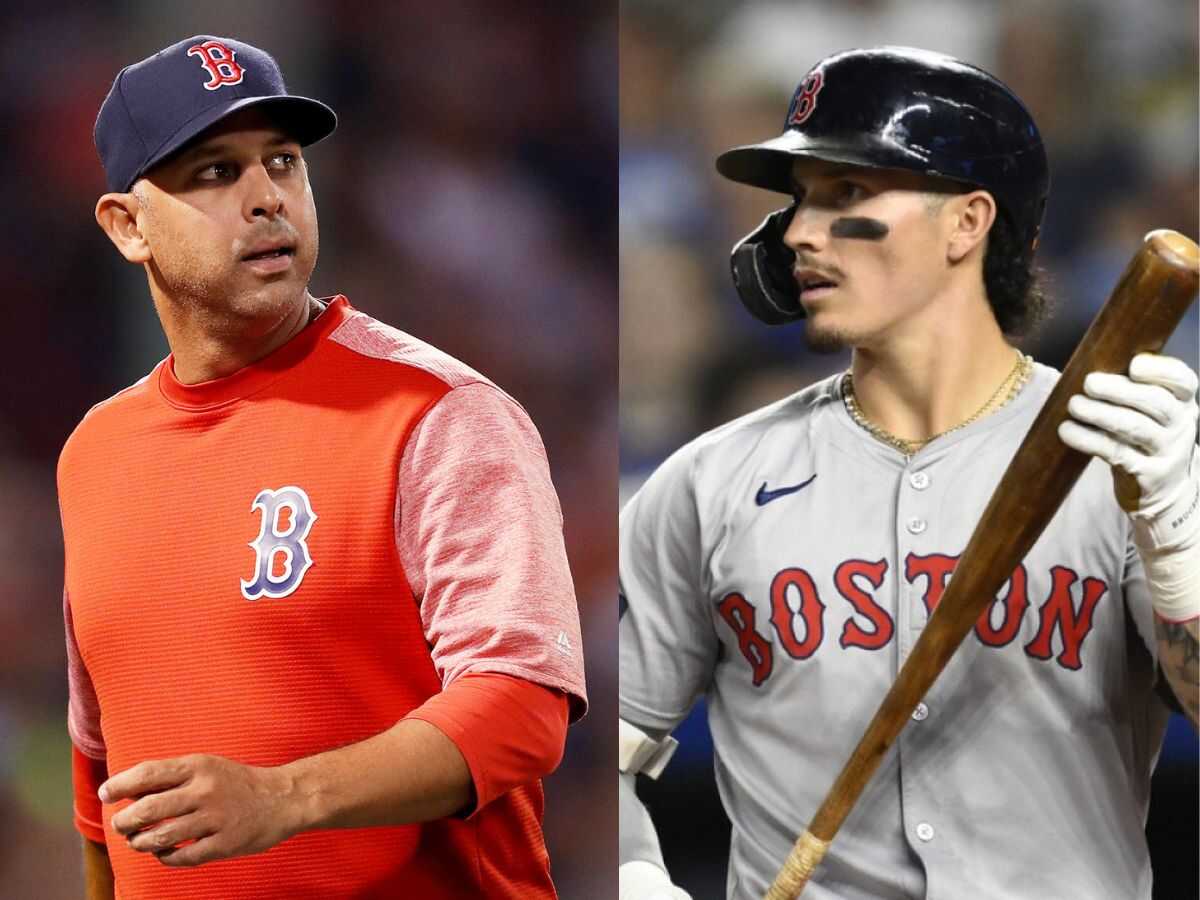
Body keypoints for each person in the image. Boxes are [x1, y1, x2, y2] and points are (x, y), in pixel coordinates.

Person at [618, 46, 1198, 900]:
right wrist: (632, 874)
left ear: (968, 222)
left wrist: (1179, 551)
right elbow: (594, 752)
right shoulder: (710, 481)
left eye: (846, 196)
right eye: (800, 201)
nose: (801, 234)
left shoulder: (1129, 462)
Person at [62, 35, 587, 900]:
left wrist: (283, 796)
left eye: (283, 163)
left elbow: (523, 705)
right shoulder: (96, 453)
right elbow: (102, 779)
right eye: (214, 173)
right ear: (127, 226)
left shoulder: (439, 413)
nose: (266, 198)